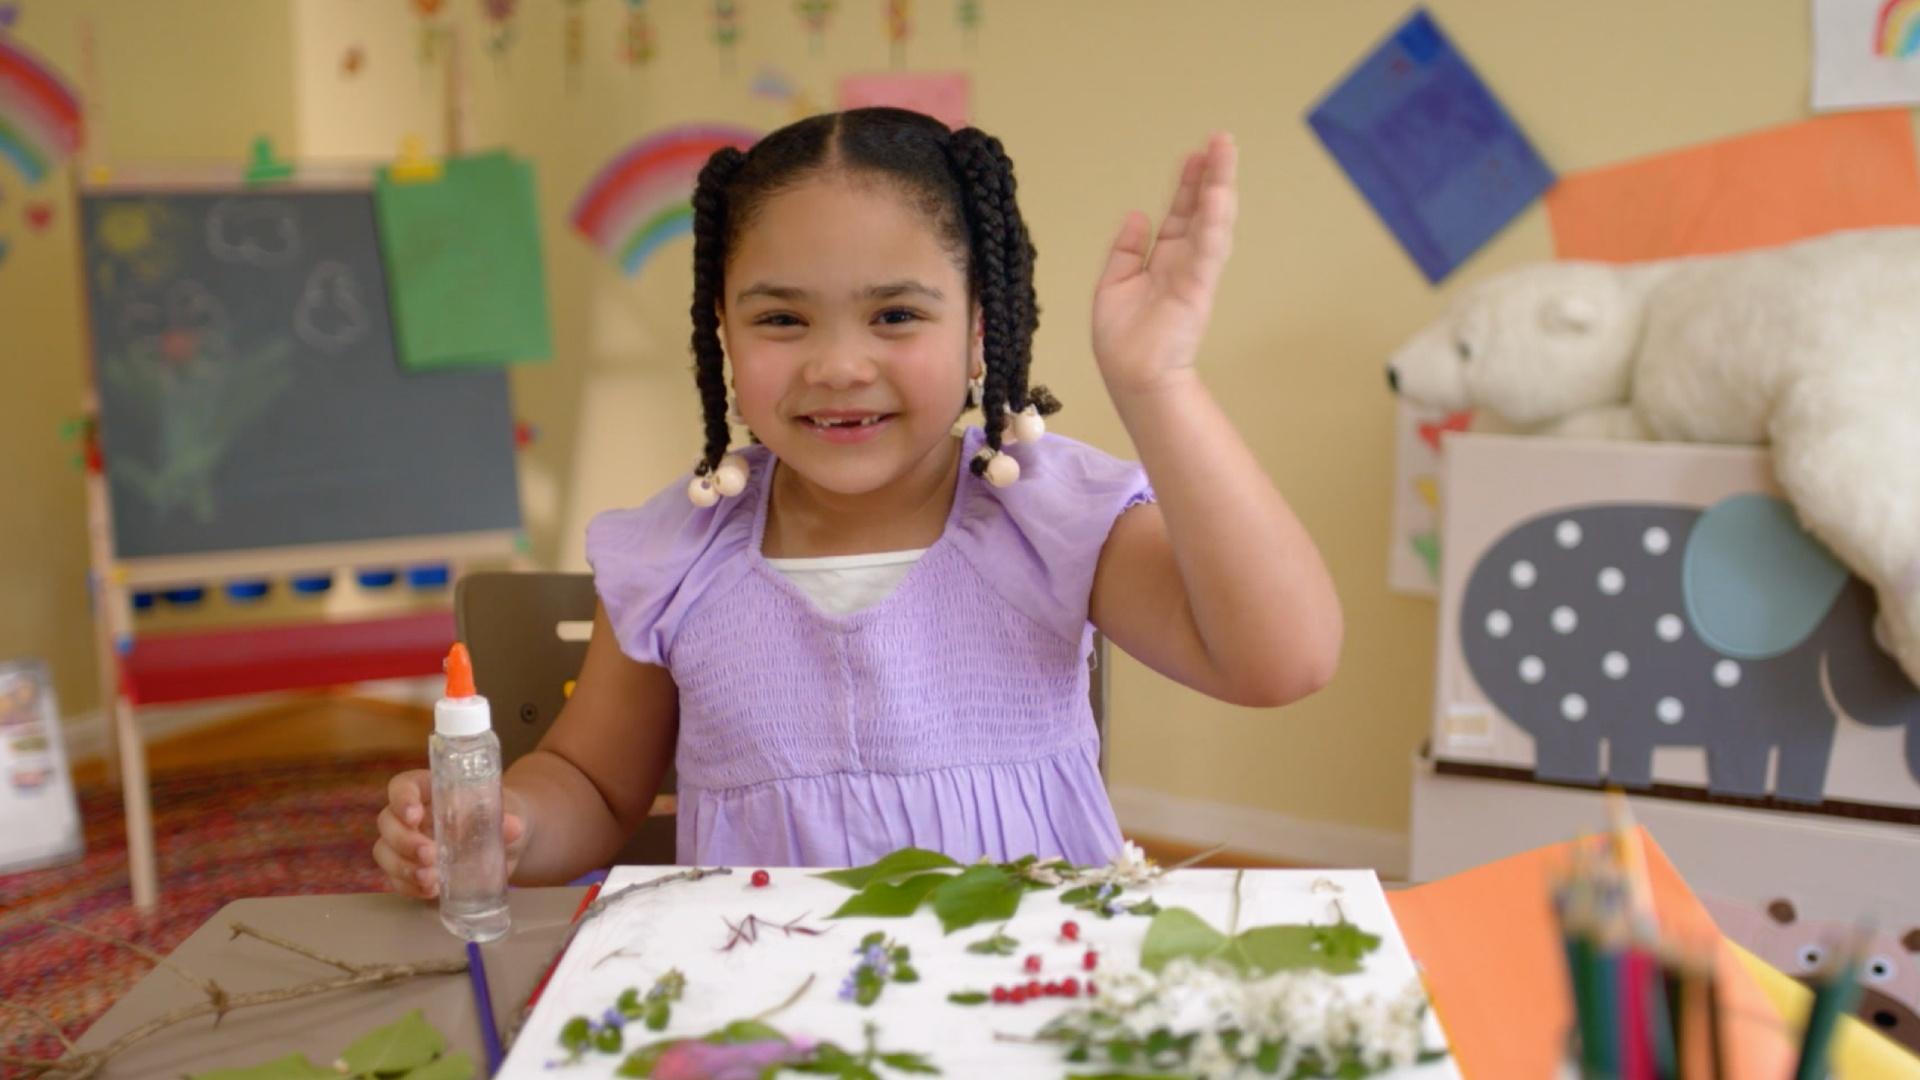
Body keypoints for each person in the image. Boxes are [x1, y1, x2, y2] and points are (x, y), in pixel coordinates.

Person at [374, 107, 1340, 895]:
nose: (839, 365)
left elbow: (1283, 659)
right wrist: (506, 827)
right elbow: (590, 780)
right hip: (763, 1008)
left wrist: (1157, 380)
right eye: (781, 319)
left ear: (980, 334)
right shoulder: (680, 555)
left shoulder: (1044, 517)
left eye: (896, 316)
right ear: (723, 334)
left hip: (1032, 995)